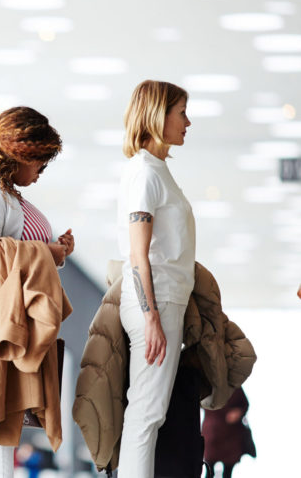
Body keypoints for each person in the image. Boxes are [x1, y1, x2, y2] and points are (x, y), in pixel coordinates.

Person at [0, 106, 74, 477]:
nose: (40, 172)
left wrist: (54, 251)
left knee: (7, 415)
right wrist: (45, 253)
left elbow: (12, 250)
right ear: (21, 154)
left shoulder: (6, 194)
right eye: (39, 161)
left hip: (11, 314)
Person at [116, 80, 194, 478]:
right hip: (156, 302)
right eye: (181, 112)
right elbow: (137, 252)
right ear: (157, 115)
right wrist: (151, 318)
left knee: (149, 413)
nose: (188, 121)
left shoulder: (157, 171)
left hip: (165, 301)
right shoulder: (145, 173)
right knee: (146, 415)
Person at [202, 387, 256, 478]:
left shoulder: (234, 385)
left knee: (228, 471)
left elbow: (244, 404)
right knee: (209, 470)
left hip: (231, 435)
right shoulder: (209, 383)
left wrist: (237, 413)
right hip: (212, 434)